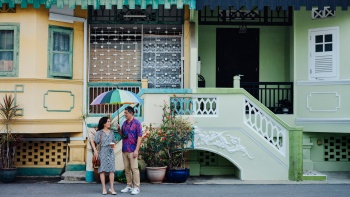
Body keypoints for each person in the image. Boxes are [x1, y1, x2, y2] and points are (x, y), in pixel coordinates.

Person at [118, 106, 142, 195]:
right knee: (127, 169)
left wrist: (137, 150)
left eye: (126, 113)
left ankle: (136, 187)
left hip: (132, 150)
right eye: (124, 113)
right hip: (125, 149)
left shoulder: (137, 123)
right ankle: (129, 186)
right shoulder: (124, 123)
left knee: (134, 169)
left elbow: (140, 137)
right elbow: (123, 135)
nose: (125, 114)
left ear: (131, 113)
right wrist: (119, 130)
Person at [91, 117, 117, 195]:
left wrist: (113, 145)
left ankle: (112, 188)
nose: (109, 123)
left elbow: (114, 142)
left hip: (110, 152)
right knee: (102, 170)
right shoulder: (99, 133)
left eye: (109, 121)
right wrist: (95, 150)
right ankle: (104, 188)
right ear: (104, 123)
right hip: (102, 152)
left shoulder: (112, 132)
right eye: (108, 121)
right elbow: (92, 141)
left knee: (111, 170)